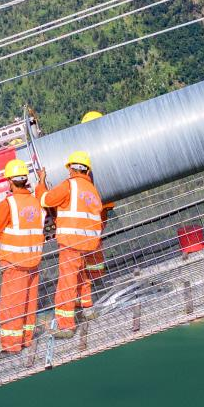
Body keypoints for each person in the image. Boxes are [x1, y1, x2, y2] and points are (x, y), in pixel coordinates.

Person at [0, 159, 47, 354]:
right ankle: (26, 340)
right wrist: (42, 182)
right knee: (29, 303)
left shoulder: (8, 204)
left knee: (11, 306)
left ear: (10, 182)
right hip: (33, 262)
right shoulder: (36, 202)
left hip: (14, 263)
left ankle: (11, 347)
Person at [41, 150, 104, 338]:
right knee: (82, 275)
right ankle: (87, 307)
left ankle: (66, 326)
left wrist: (41, 183)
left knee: (66, 283)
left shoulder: (70, 185)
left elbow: (46, 200)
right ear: (86, 171)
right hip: (88, 243)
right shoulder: (92, 190)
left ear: (71, 169)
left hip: (71, 242)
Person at [78, 112, 116, 299]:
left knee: (90, 245)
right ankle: (95, 280)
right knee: (94, 243)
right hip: (100, 205)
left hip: (93, 207)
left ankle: (92, 282)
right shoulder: (106, 146)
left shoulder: (86, 152)